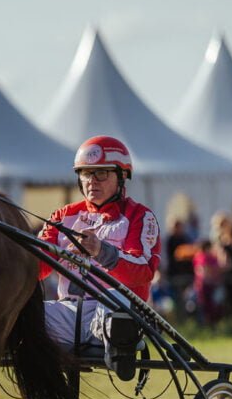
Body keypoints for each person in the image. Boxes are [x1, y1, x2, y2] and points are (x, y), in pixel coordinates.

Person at [38, 136, 161, 380]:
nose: (91, 181)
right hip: (68, 313)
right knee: (18, 310)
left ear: (121, 176)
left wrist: (100, 251)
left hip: (113, 313)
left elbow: (143, 271)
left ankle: (117, 346)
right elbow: (34, 266)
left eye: (101, 173)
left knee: (117, 298)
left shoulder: (140, 216)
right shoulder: (63, 216)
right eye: (85, 174)